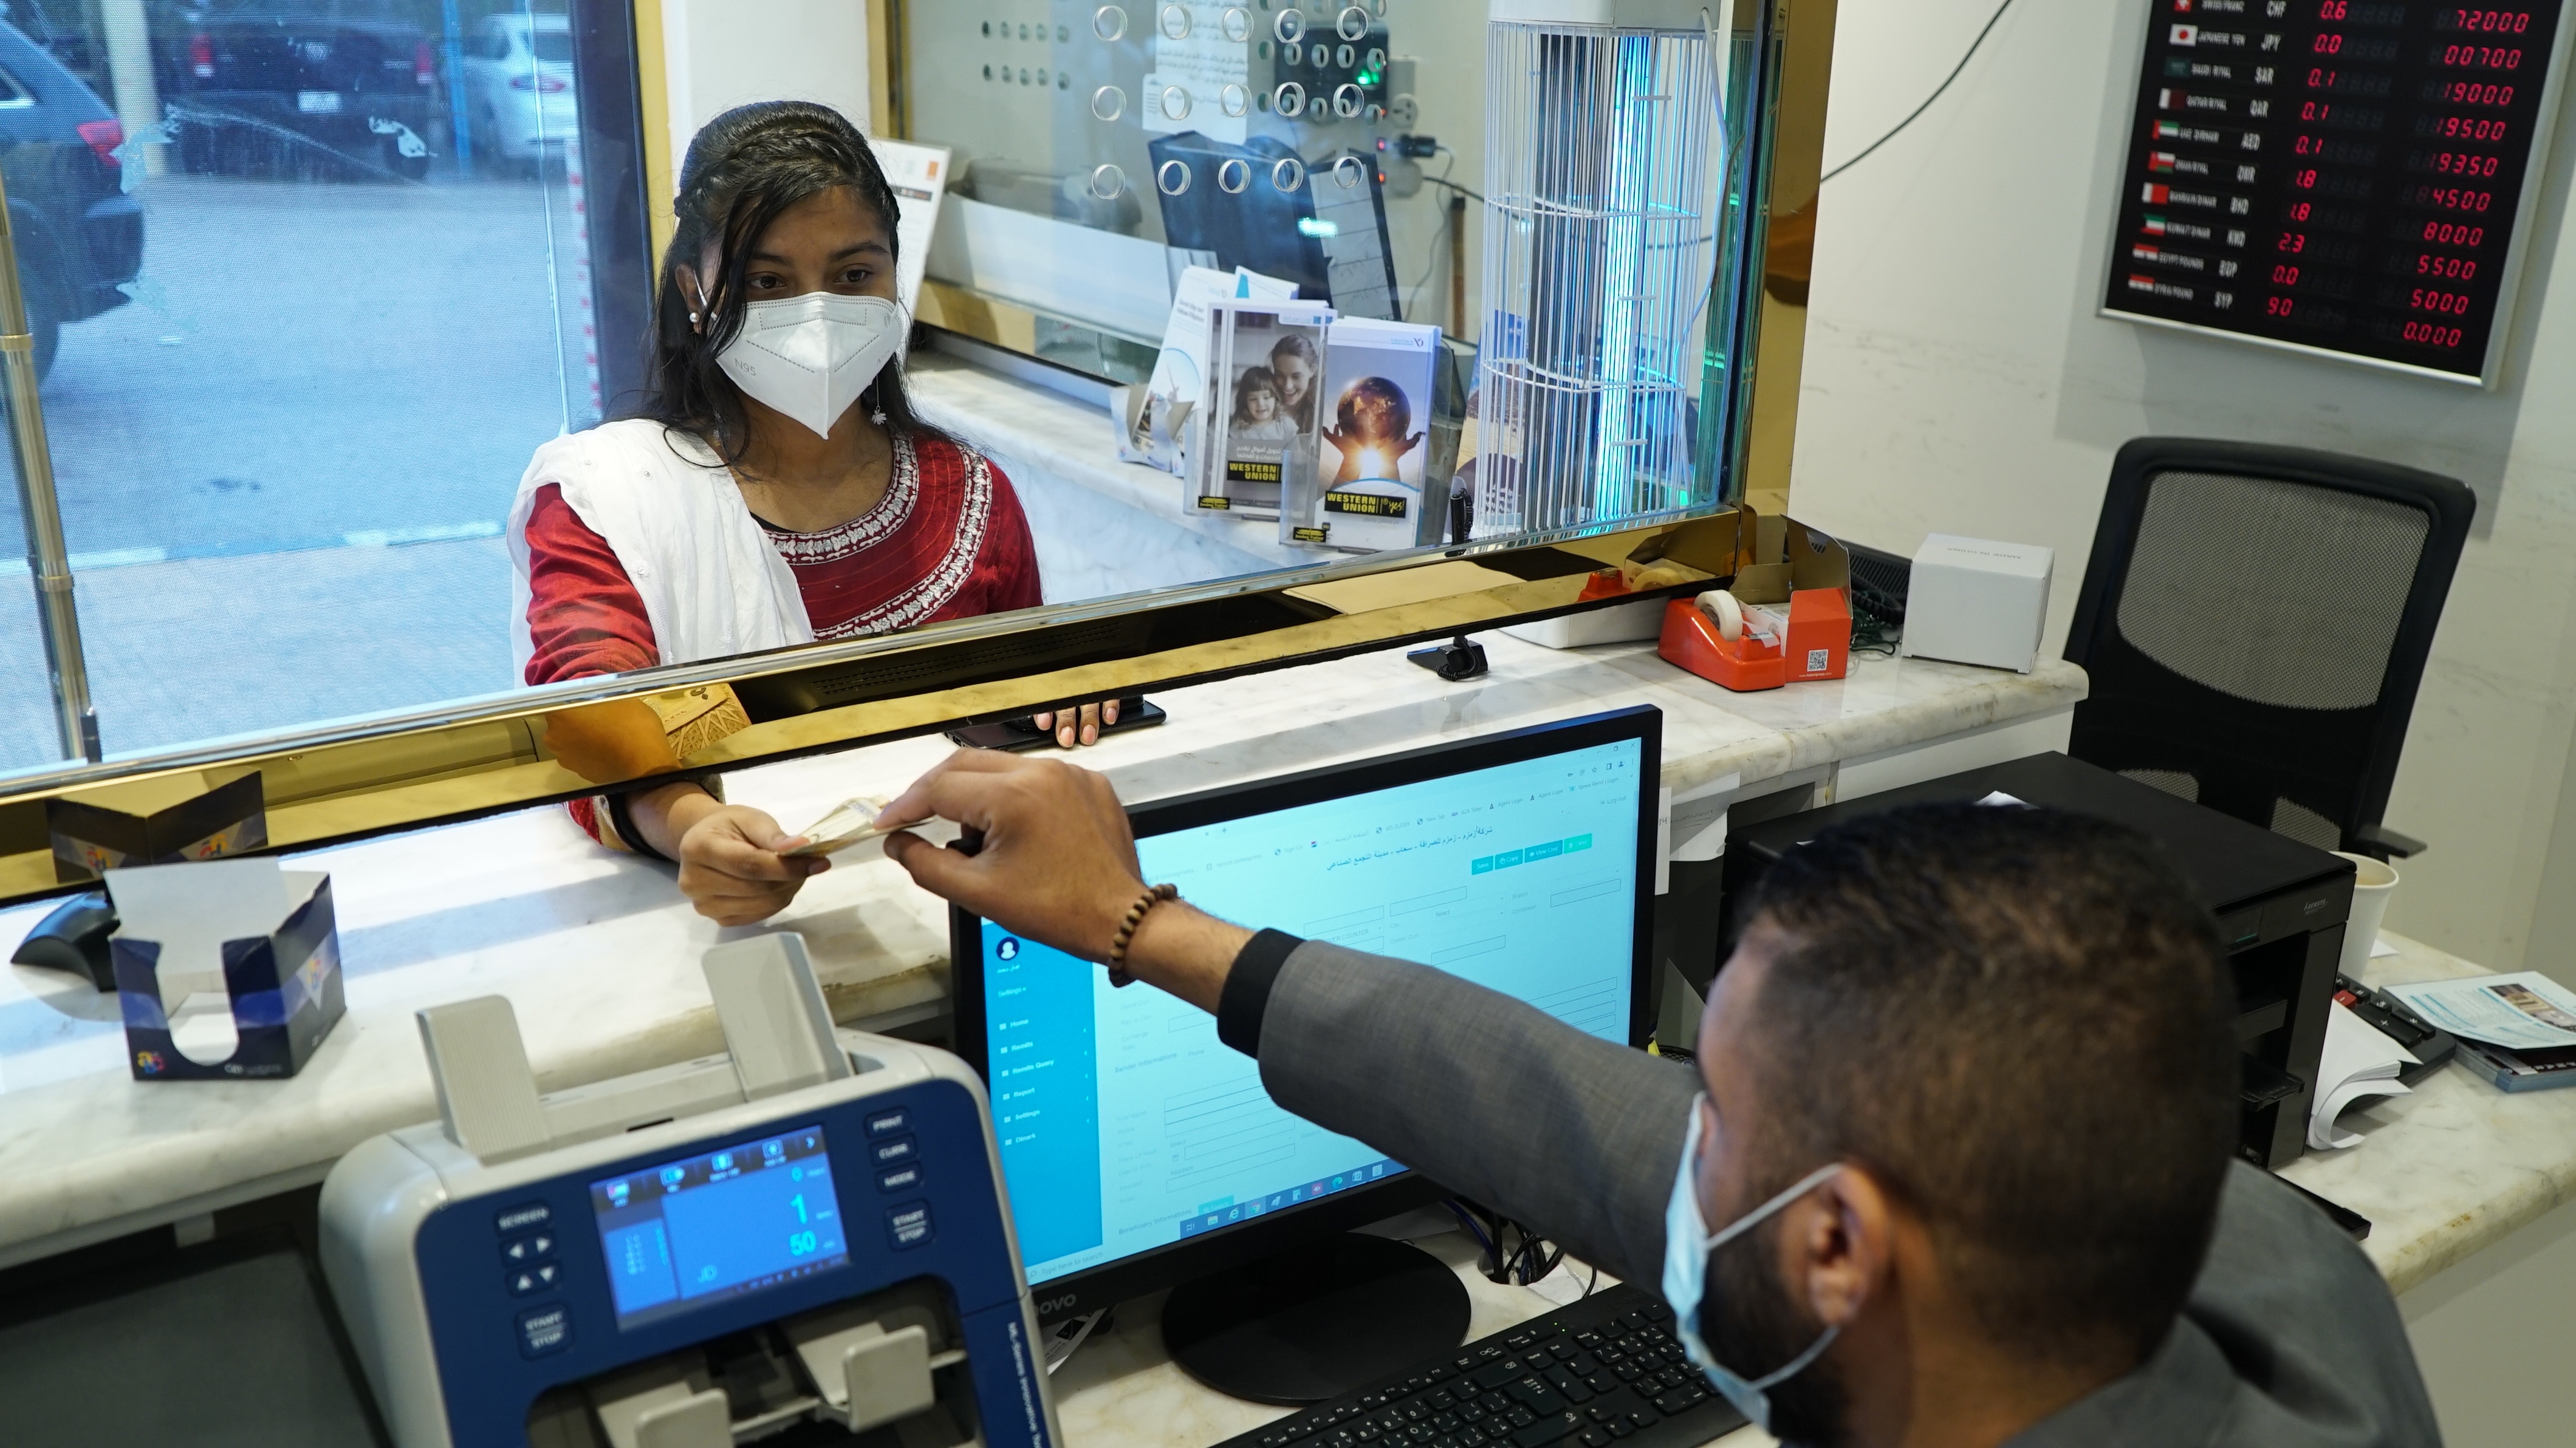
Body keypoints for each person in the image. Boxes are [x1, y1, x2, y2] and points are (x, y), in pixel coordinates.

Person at [876, 750, 2440, 1448]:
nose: (1664, 1138)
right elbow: (1558, 1109)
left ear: (1834, 1247)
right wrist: (1140, 926)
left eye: (1713, 1121)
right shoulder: (2274, 1271)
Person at [507, 101, 1111, 925]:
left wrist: (1068, 695)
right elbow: (589, 718)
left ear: (897, 276)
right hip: (708, 924)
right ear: (695, 287)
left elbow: (1016, 720)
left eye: (855, 275)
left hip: (958, 914)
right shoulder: (608, 500)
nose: (817, 311)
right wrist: (697, 830)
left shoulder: (971, 497)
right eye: (767, 282)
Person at [1269, 331, 1320, 431]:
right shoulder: (1261, 406)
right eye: (1280, 375)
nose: (1288, 386)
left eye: (1296, 377)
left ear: (1312, 370)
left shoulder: (1323, 414)